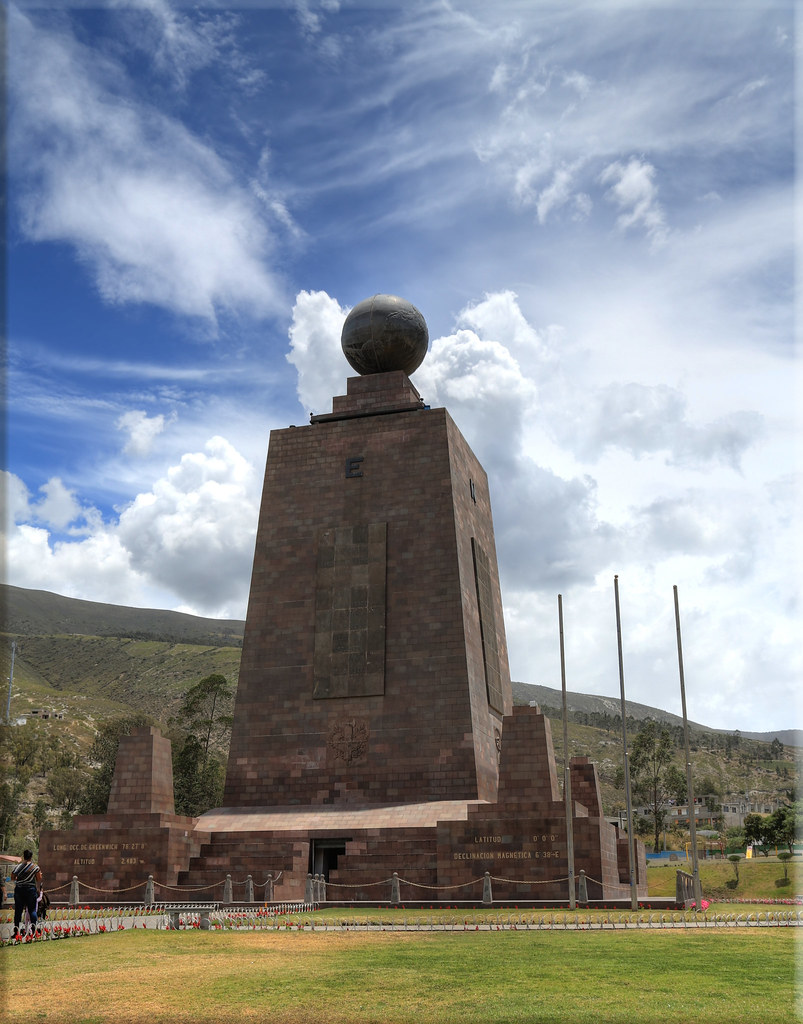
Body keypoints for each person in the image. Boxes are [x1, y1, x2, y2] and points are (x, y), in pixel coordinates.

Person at [12, 850, 43, 938]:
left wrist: (20, 878)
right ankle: (34, 931)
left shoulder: (18, 866)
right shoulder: (35, 867)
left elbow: (12, 877)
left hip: (19, 890)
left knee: (18, 911)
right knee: (32, 910)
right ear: (31, 857)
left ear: (24, 856)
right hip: (30, 890)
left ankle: (16, 932)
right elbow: (38, 878)